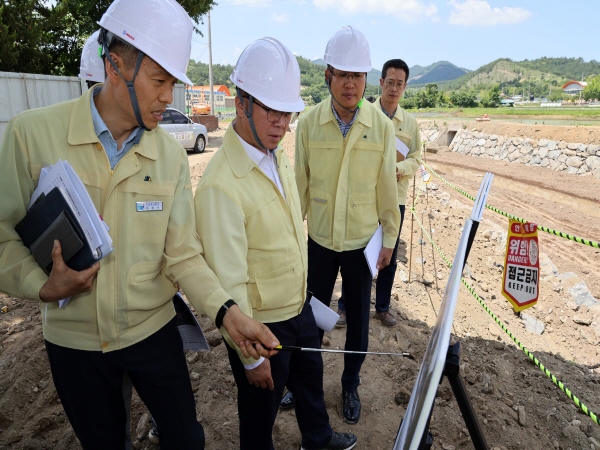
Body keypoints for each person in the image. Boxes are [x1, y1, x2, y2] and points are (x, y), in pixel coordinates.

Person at [0, 1, 278, 449]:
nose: (169, 96)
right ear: (114, 66)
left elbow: (184, 255)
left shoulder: (168, 155)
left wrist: (230, 314)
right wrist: (41, 284)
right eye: (160, 81)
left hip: (152, 332)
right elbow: (3, 235)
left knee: (186, 439)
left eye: (174, 82)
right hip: (76, 345)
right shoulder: (32, 136)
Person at [194, 37, 357, 450]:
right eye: (271, 110)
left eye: (287, 113)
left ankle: (317, 439)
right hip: (261, 324)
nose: (281, 123)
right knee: (259, 413)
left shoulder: (275, 153)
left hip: (299, 306)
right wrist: (250, 355)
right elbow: (228, 283)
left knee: (310, 383)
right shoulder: (220, 185)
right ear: (240, 101)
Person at [292, 26, 400, 425]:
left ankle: (350, 384)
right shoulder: (308, 123)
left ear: (366, 79)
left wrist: (389, 237)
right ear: (328, 76)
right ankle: (305, 384)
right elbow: (299, 186)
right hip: (319, 241)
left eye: (357, 75)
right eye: (342, 74)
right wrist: (291, 233)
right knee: (310, 320)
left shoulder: (380, 127)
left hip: (360, 244)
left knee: (357, 321)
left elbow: (388, 188)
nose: (350, 83)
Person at [335, 58, 422, 328]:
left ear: (405, 87)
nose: (394, 88)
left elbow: (417, 158)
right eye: (390, 82)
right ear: (381, 83)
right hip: (364, 199)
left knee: (389, 256)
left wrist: (397, 168)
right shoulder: (362, 115)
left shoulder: (410, 124)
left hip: (394, 199)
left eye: (400, 84)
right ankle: (345, 307)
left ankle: (382, 307)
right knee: (355, 253)